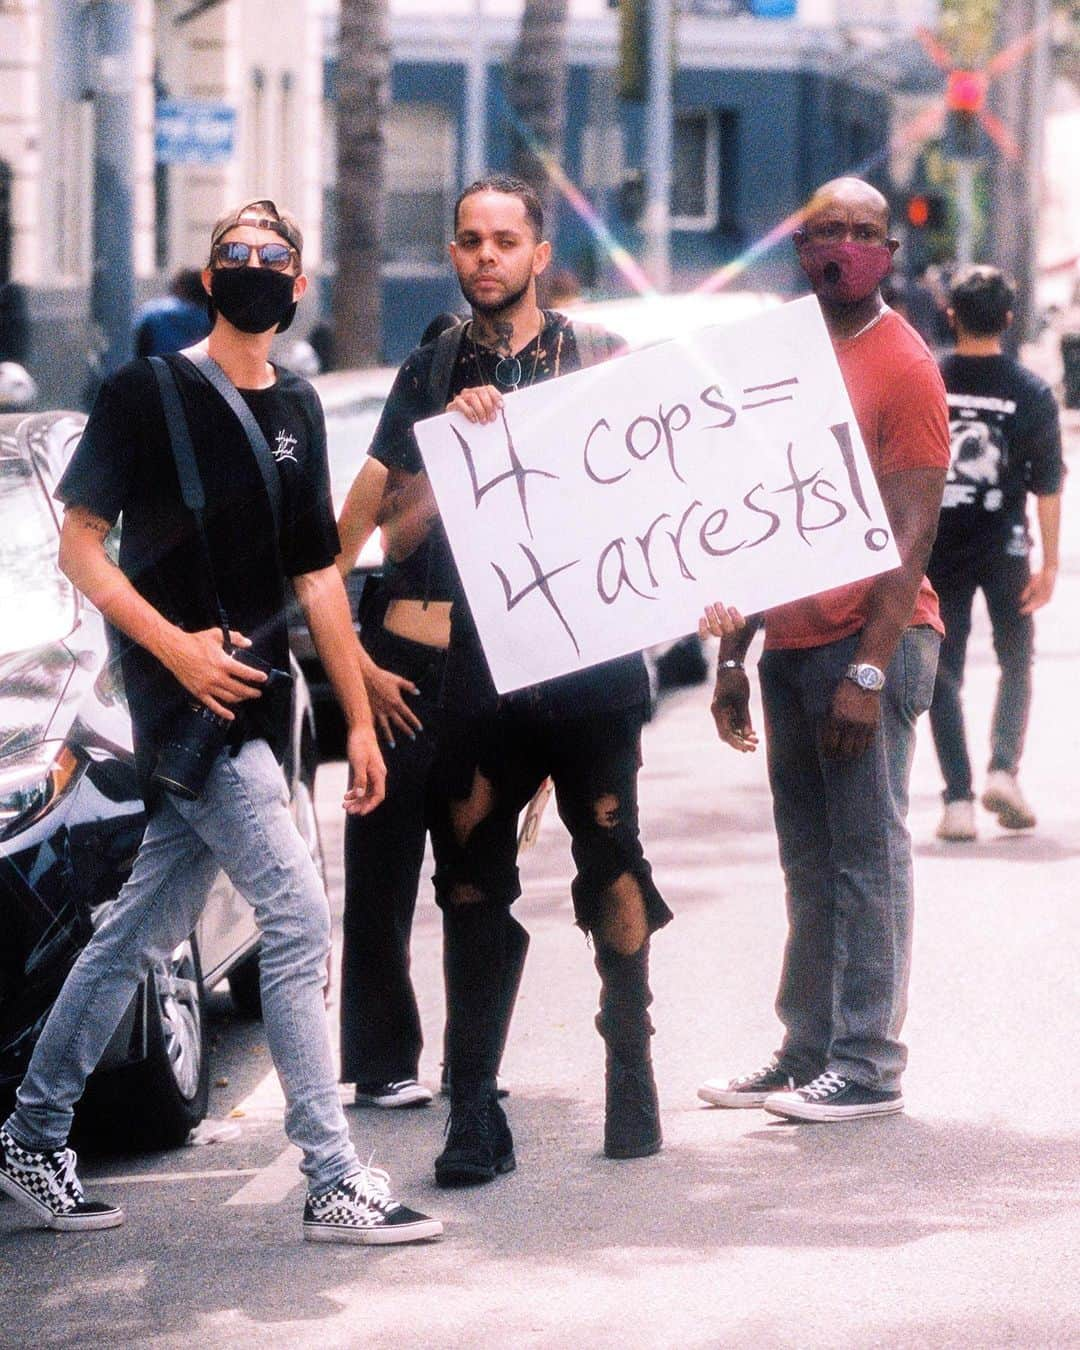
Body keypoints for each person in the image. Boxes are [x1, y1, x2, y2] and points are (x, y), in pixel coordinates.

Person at [0, 198, 441, 1246]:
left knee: (138, 932)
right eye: (231, 255)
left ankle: (31, 1130)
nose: (250, 268)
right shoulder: (142, 395)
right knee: (293, 921)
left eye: (271, 257)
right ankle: (331, 1177)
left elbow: (315, 575)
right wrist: (177, 647)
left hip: (263, 704)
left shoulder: (295, 408)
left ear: (298, 284)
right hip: (185, 706)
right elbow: (80, 551)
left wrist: (363, 717)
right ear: (208, 280)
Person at [370, 175, 669, 1185]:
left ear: (540, 255)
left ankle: (631, 1060)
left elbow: (661, 507)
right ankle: (471, 1114)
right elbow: (391, 531)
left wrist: (708, 613)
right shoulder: (430, 370)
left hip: (592, 675)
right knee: (465, 888)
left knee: (612, 862)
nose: (485, 256)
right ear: (453, 253)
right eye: (468, 240)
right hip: (478, 680)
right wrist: (455, 455)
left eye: (505, 240)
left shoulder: (599, 361)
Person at [697, 176, 948, 1122]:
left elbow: (912, 526)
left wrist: (869, 672)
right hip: (791, 643)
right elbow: (757, 517)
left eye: (861, 233)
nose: (840, 247)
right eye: (821, 232)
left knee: (866, 858)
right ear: (797, 248)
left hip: (869, 645)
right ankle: (807, 1052)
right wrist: (732, 659)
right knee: (808, 861)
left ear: (889, 252)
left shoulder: (906, 363)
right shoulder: (780, 358)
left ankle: (869, 1062)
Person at [336, 306, 527, 1110]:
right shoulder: (406, 452)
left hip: (492, 679)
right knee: (381, 868)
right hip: (401, 671)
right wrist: (358, 672)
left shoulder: (523, 456)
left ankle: (472, 1059)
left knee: (480, 873)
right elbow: (350, 543)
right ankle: (382, 1061)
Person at [927, 266, 1065, 840]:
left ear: (951, 315)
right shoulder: (1030, 391)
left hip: (939, 547)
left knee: (942, 669)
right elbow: (1048, 484)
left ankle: (958, 799)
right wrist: (1050, 564)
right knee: (1015, 660)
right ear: (1009, 320)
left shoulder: (929, 379)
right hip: (1005, 545)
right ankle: (1003, 769)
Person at [133, 267, 212, 358]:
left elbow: (136, 347)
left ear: (178, 288)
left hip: (157, 369)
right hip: (196, 370)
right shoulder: (212, 319)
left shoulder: (153, 314)